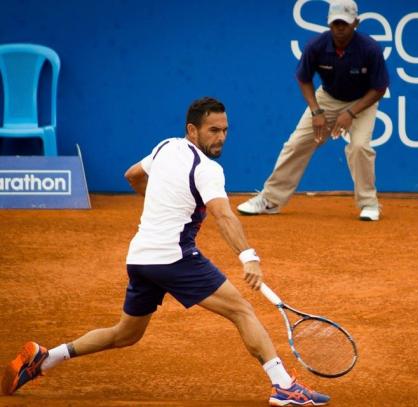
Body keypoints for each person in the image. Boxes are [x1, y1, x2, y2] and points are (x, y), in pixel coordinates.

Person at [1, 97, 330, 406]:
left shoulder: (165, 146)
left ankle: (46, 357)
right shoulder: (207, 169)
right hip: (174, 258)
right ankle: (284, 386)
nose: (221, 137)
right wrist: (249, 257)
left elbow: (132, 175)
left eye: (225, 130)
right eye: (213, 130)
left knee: (125, 334)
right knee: (242, 311)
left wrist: (162, 205)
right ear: (192, 130)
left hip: (141, 257)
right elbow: (223, 215)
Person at [237, 0, 389, 221]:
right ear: (329, 23)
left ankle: (369, 203)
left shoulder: (370, 49)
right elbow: (304, 78)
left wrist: (351, 113)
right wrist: (316, 111)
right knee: (296, 144)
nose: (339, 28)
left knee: (359, 147)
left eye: (344, 24)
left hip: (361, 102)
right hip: (326, 99)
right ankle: (270, 200)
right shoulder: (316, 46)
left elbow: (379, 88)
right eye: (335, 23)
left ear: (356, 23)